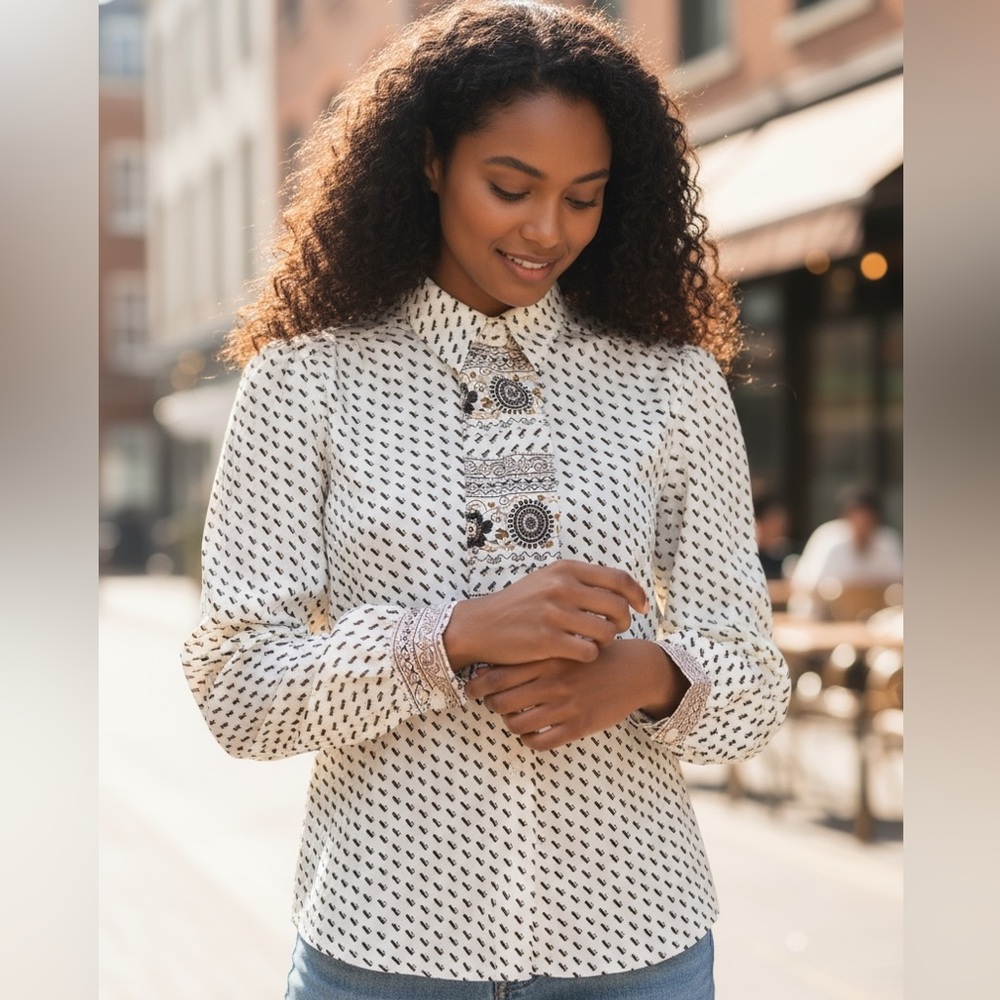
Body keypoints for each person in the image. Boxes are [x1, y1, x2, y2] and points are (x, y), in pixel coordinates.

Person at [181, 3, 790, 997]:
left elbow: (755, 683)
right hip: (385, 948)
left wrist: (646, 677)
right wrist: (448, 636)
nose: (546, 231)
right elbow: (237, 690)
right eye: (510, 187)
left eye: (584, 198)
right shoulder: (304, 381)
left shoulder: (670, 381)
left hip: (634, 948)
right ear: (428, 159)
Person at [788, 483, 903, 619]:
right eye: (856, 516)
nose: (861, 523)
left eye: (867, 517)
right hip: (822, 620)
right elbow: (805, 585)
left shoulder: (887, 541)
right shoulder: (829, 538)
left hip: (874, 621)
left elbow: (899, 583)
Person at [752, 494, 794, 581]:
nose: (781, 529)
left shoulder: (783, 558)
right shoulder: (745, 557)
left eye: (783, 524)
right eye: (774, 523)